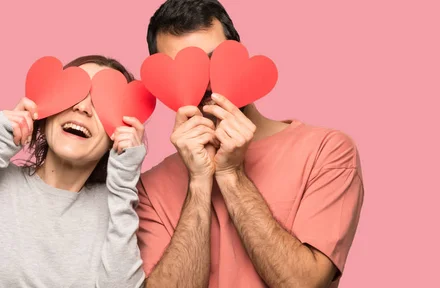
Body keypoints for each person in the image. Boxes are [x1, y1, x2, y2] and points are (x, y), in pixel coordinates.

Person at [136, 1, 365, 287]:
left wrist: (232, 176)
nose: (205, 81)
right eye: (186, 68)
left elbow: (304, 284)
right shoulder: (148, 187)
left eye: (213, 60)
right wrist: (198, 182)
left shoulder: (327, 150)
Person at [0, 55, 147, 288]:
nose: (82, 107)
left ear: (115, 136)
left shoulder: (114, 210)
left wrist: (124, 186)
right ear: (46, 112)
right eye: (73, 92)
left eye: (102, 102)